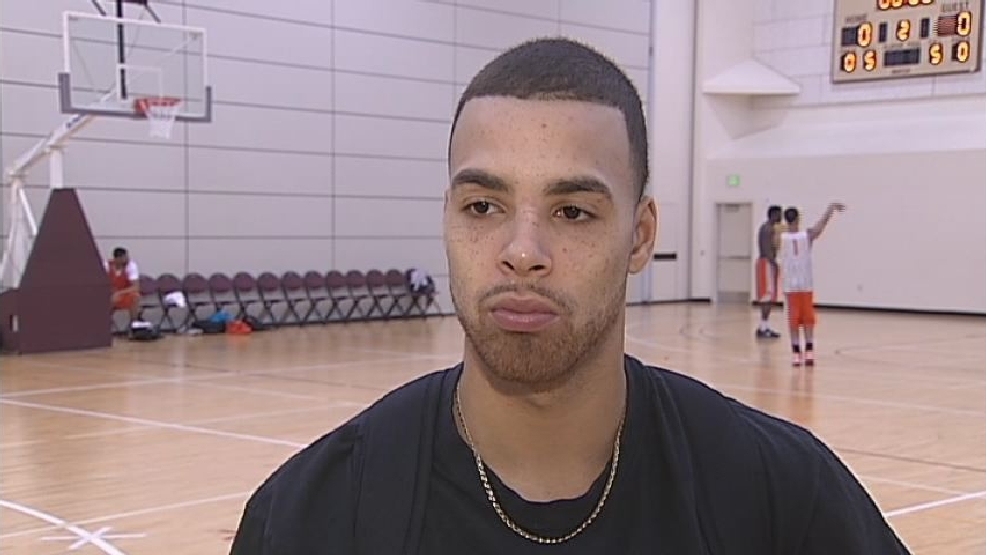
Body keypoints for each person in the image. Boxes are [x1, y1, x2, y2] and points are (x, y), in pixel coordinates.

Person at [228, 38, 908, 554]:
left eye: (573, 211)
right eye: (483, 206)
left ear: (641, 236)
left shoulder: (782, 498)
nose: (522, 250)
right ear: (447, 218)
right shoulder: (313, 517)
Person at [779, 203, 845, 366]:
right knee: (807, 319)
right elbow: (820, 226)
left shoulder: (782, 237)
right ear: (798, 219)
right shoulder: (806, 235)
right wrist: (829, 210)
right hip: (804, 285)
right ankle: (809, 351)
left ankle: (796, 352)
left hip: (791, 286)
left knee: (794, 320)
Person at [755, 205, 783, 339]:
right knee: (767, 297)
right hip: (766, 263)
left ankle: (764, 326)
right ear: (773, 214)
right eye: (779, 214)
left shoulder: (767, 228)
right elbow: (767, 249)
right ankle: (763, 328)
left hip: (765, 263)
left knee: (769, 297)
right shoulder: (767, 229)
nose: (781, 217)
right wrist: (774, 263)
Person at [106, 247, 140, 326]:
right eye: (125, 257)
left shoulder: (131, 266)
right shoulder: (106, 266)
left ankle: (134, 324)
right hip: (110, 293)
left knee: (135, 296)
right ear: (118, 258)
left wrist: (119, 293)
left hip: (124, 293)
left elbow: (135, 287)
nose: (128, 259)